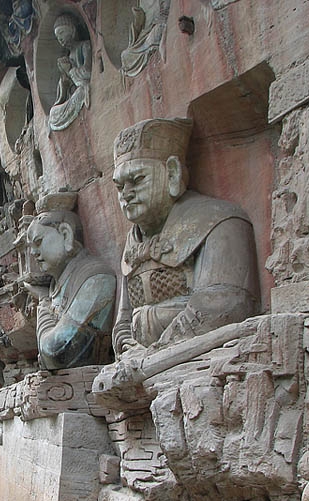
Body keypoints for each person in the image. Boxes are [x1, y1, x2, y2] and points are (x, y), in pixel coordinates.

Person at [93, 118, 260, 398]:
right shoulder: (133, 242)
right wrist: (128, 348)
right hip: (142, 364)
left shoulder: (218, 222)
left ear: (171, 173)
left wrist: (152, 354)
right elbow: (123, 321)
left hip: (197, 365)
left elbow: (219, 309)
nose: (126, 195)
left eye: (137, 180)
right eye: (120, 187)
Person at [24, 194, 116, 369]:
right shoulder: (57, 285)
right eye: (31, 248)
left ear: (66, 235)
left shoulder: (95, 279)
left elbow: (57, 352)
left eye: (39, 242)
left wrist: (44, 303)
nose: (33, 253)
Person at [48, 13, 91, 131]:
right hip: (72, 96)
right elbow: (65, 89)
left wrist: (70, 70)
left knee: (80, 93)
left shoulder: (85, 46)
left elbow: (87, 72)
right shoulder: (68, 56)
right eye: (57, 37)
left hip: (82, 89)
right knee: (52, 113)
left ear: (72, 30)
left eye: (61, 33)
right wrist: (64, 79)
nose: (60, 39)